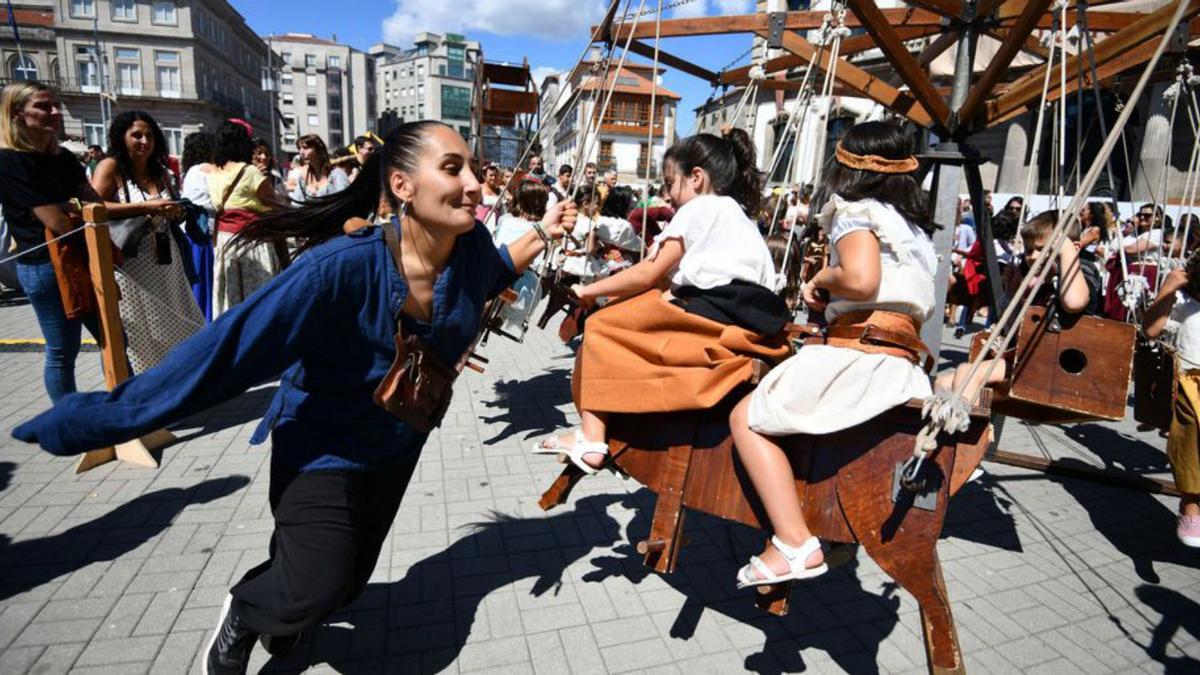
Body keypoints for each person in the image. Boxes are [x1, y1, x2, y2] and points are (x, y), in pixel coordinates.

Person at [11, 121, 577, 675]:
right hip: (322, 445)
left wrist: (547, 230)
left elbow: (492, 274)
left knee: (348, 580)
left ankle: (287, 611)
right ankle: (247, 609)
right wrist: (100, 418)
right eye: (453, 168)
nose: (475, 183)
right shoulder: (338, 270)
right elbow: (223, 353)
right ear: (402, 186)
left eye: (473, 167)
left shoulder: (470, 246)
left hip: (399, 441)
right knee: (317, 580)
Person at [726, 121, 938, 587]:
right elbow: (889, 291)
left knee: (746, 416)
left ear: (847, 165)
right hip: (900, 363)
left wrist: (821, 280)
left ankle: (793, 543)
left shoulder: (855, 210)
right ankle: (827, 527)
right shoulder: (915, 231)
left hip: (860, 355)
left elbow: (862, 280)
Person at [531, 129, 791, 472]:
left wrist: (588, 291)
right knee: (634, 314)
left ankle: (592, 438)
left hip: (713, 313)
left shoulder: (700, 208)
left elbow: (648, 274)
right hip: (753, 317)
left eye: (670, 183)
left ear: (696, 177)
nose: (667, 194)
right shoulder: (741, 217)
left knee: (601, 324)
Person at [0, 82, 103, 400]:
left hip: (84, 257)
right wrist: (71, 207)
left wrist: (68, 206)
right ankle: (69, 422)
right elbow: (57, 222)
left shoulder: (63, 158)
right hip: (44, 266)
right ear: (17, 114)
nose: (56, 112)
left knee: (114, 337)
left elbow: (95, 203)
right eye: (45, 107)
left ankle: (121, 409)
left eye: (55, 104)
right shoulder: (9, 161)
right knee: (63, 349)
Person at [938, 209, 1096, 399]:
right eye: (1029, 250)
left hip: (1053, 366)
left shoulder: (1080, 273)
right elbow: (1011, 327)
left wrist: (1067, 250)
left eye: (1043, 249)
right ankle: (969, 426)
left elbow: (1074, 302)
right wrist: (1012, 292)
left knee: (968, 373)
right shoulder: (1037, 283)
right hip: (1026, 359)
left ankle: (961, 425)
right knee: (942, 383)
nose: (1032, 256)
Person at [92, 110, 203, 374]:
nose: (145, 141)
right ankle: (150, 392)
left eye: (150, 136)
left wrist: (176, 210)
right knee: (145, 331)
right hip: (133, 263)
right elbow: (90, 206)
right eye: (137, 135)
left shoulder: (161, 172)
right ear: (122, 137)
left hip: (167, 259)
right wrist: (143, 206)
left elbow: (173, 204)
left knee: (177, 324)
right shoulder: (111, 167)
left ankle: (178, 386)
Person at [1143, 253, 1200, 547]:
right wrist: (1168, 289)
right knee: (1191, 433)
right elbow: (1151, 330)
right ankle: (1191, 503)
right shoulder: (1183, 301)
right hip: (1189, 379)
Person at [208, 120, 285, 317]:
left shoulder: (213, 171)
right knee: (259, 298)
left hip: (225, 242)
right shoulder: (249, 171)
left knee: (230, 299)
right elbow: (276, 204)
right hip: (253, 241)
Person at [180, 131, 217, 321]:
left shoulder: (190, 172)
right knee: (208, 286)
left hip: (193, 235)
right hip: (208, 237)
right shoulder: (205, 169)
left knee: (198, 286)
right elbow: (218, 201)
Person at [288, 134, 349, 203]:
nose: (301, 152)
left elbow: (343, 202)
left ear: (318, 150)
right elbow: (297, 203)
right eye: (299, 148)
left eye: (305, 148)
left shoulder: (337, 174)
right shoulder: (304, 175)